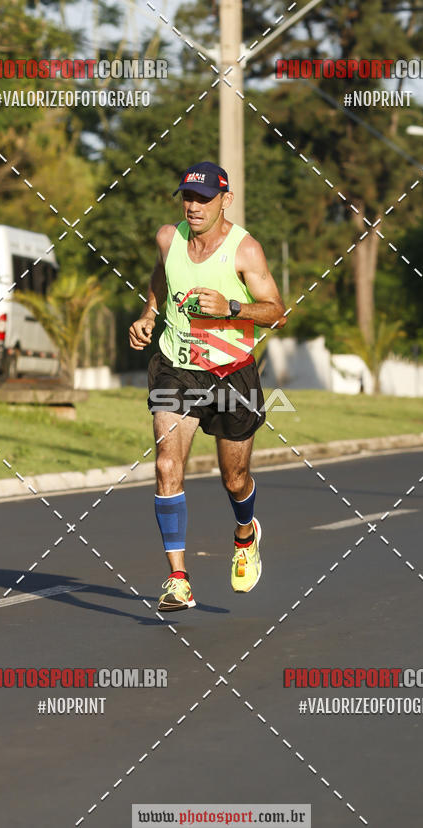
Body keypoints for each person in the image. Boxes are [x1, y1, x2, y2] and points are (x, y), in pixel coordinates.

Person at [129, 161, 286, 612]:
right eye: (187, 197)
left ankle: (244, 534)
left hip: (231, 372)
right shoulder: (168, 237)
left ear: (226, 200)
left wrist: (232, 306)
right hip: (177, 367)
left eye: (203, 198)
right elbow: (162, 275)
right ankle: (178, 578)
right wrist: (149, 314)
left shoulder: (245, 251)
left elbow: (276, 311)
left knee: (233, 479)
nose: (193, 206)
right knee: (165, 465)